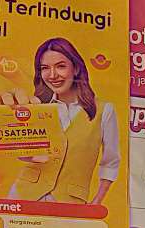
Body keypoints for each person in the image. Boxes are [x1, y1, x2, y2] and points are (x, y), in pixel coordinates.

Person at [14, 37, 120, 205]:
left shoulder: (103, 111)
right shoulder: (37, 106)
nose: (52, 75)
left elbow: (111, 162)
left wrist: (97, 201)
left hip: (70, 201)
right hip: (24, 194)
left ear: (76, 68)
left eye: (60, 66)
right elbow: (22, 152)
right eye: (45, 68)